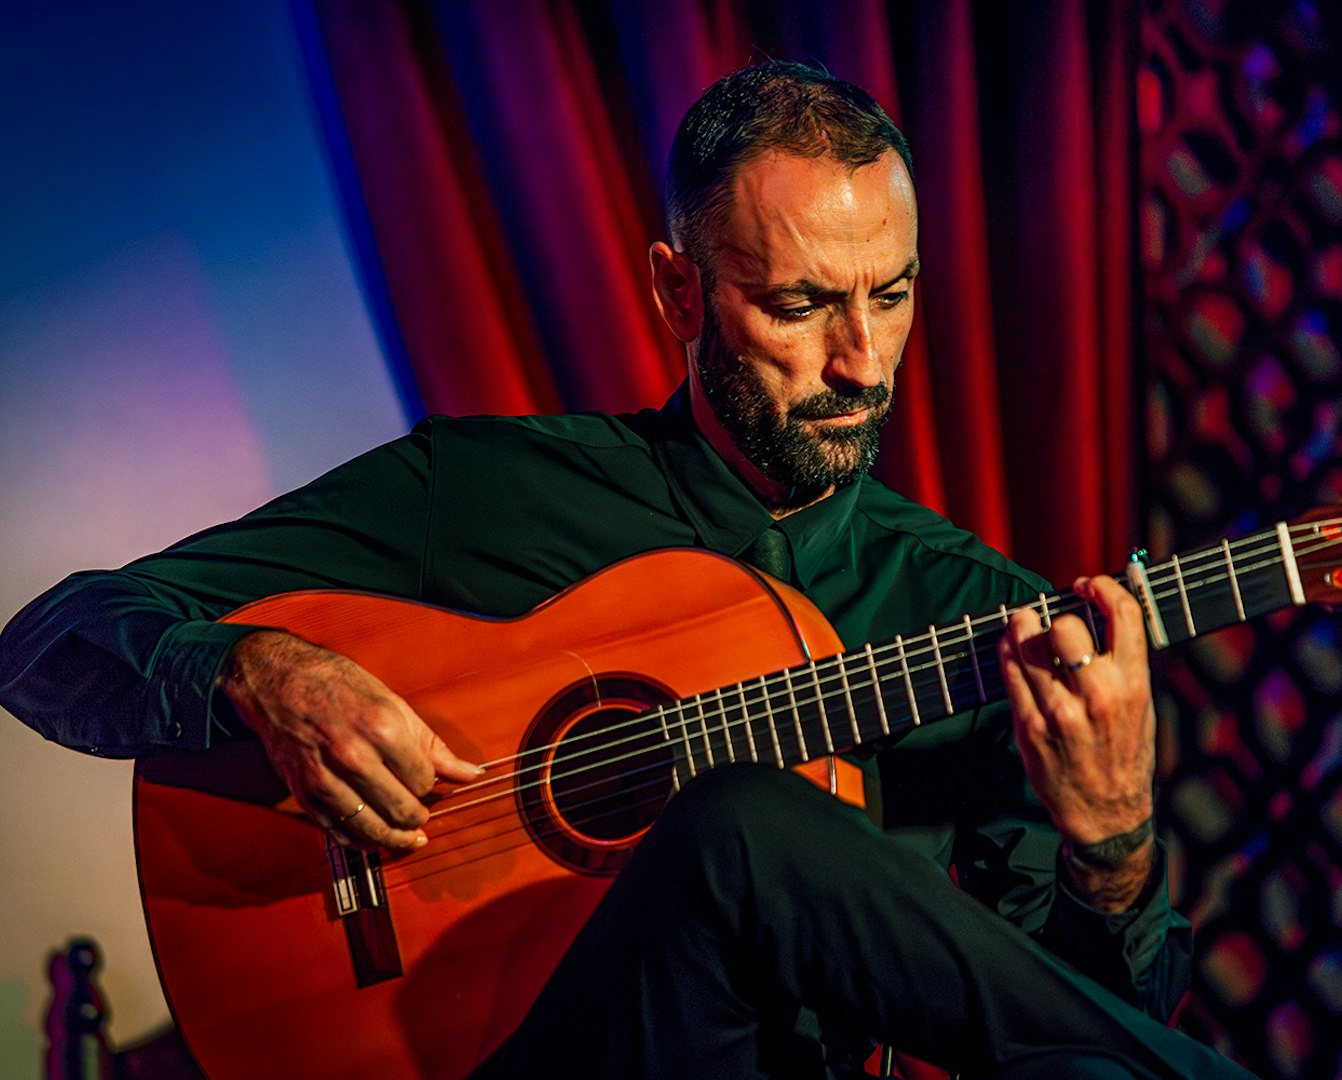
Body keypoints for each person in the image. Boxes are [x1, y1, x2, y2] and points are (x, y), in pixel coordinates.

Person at [0, 62, 1252, 1079]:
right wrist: (260, 673)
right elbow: (49, 644)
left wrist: (1114, 846)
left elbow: (1066, 1035)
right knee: (740, 822)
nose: (864, 362)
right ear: (676, 291)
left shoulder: (980, 616)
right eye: (801, 306)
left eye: (893, 294)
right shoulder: (484, 493)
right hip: (486, 1057)